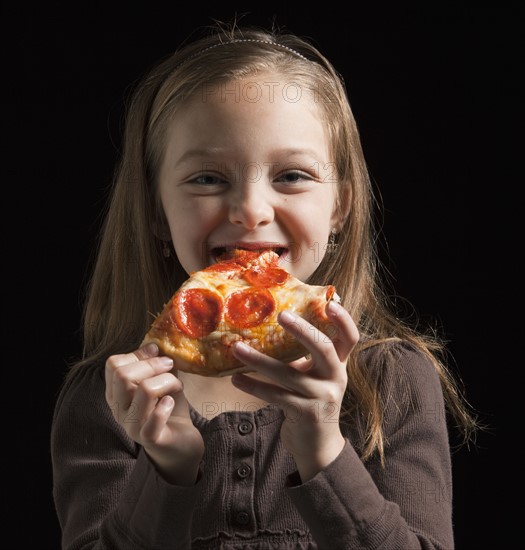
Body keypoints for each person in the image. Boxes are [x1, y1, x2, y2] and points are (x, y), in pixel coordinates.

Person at [51, 20, 479, 549]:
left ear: (340, 205)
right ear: (156, 213)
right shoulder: (111, 397)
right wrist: (167, 470)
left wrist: (323, 448)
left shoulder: (393, 384)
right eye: (207, 178)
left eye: (292, 175)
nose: (251, 211)